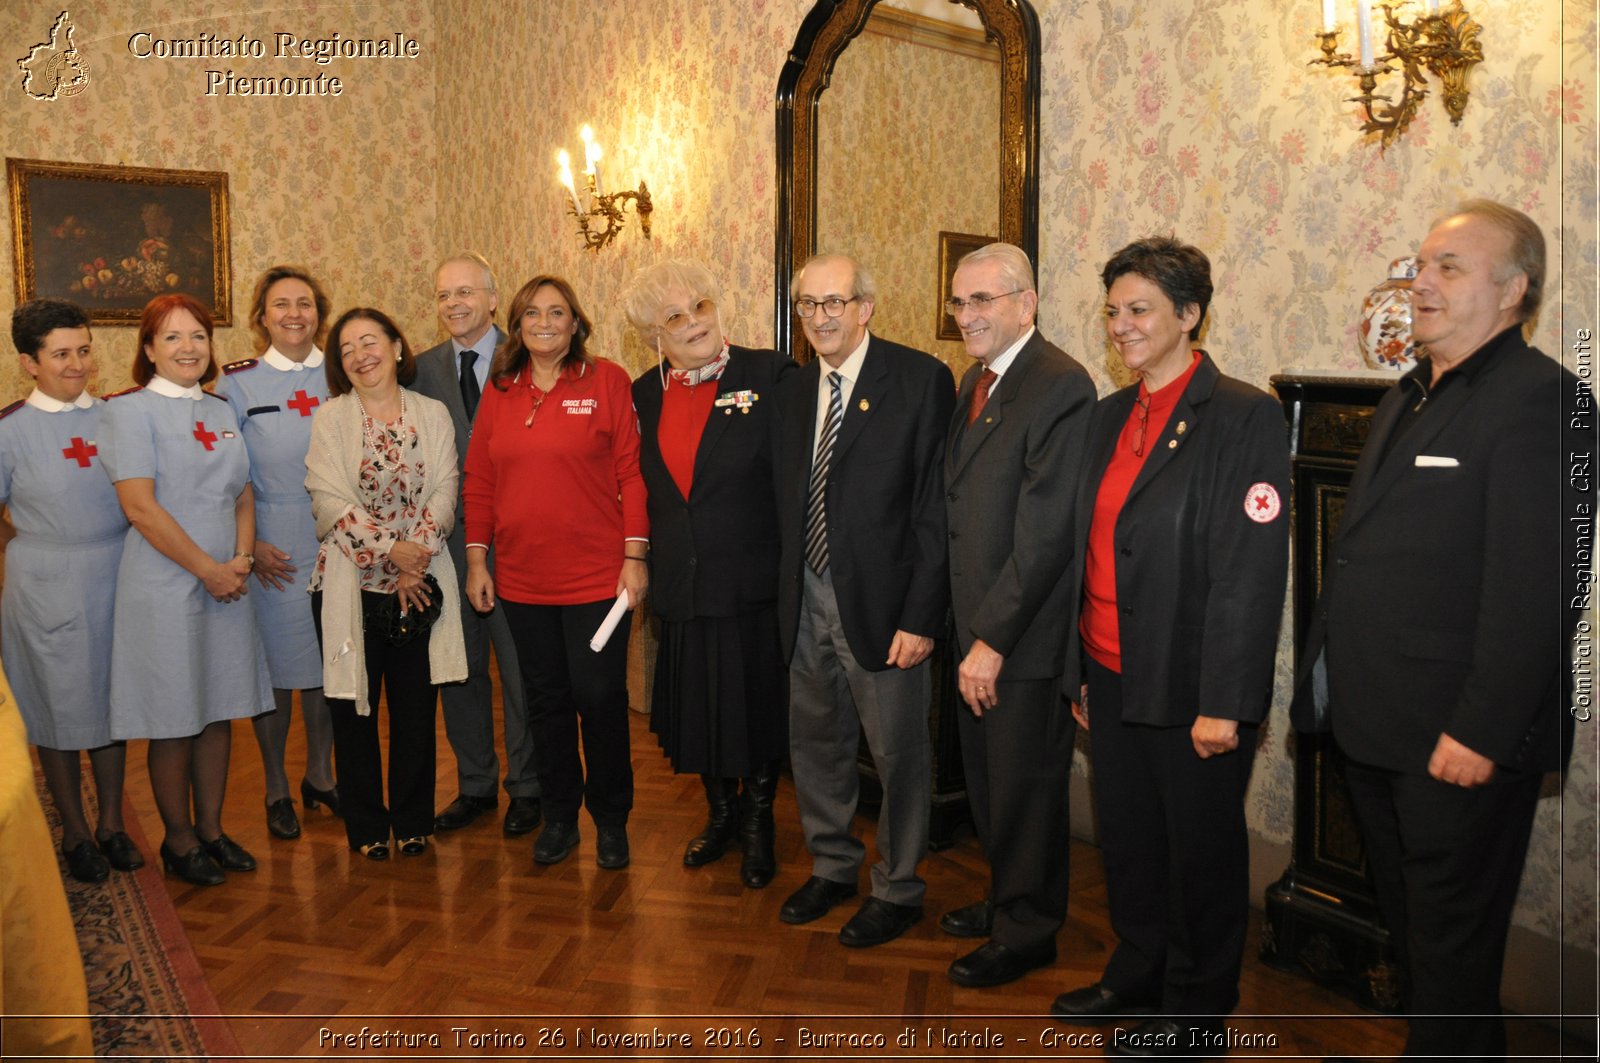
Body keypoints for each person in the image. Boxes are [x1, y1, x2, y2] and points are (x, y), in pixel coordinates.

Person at [1291, 200, 1584, 1058]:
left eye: (1449, 267)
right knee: (1419, 938)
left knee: (1452, 950)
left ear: (1514, 290)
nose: (1420, 282)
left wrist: (1480, 729)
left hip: (1458, 738)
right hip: (1379, 726)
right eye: (1420, 264)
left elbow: (1538, 590)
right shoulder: (1414, 392)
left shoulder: (1544, 403)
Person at [1050, 238, 1290, 1052]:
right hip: (1111, 672)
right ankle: (1138, 967)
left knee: (1201, 854)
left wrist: (1226, 702)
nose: (1121, 325)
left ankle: (1196, 1007)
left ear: (1191, 315)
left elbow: (1249, 574)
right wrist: (1080, 667)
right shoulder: (1107, 416)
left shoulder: (1245, 416)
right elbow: (1084, 548)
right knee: (1131, 839)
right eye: (1113, 310)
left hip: (1194, 686)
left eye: (1140, 308)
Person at [774, 254, 954, 947]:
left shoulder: (918, 381)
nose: (821, 317)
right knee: (816, 742)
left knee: (900, 751)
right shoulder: (794, 393)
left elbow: (934, 511)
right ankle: (832, 863)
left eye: (835, 302)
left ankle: (900, 885)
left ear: (866, 307)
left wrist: (921, 615)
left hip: (887, 606)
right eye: (809, 305)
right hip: (807, 597)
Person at [942, 242, 1094, 987]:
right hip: (974, 631)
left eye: (982, 301)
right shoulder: (978, 378)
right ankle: (1005, 897)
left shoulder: (1060, 384)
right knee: (989, 785)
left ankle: (1028, 929)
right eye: (959, 301)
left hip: (1020, 641)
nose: (965, 314)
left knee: (1026, 790)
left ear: (1026, 304)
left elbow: (1045, 533)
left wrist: (991, 639)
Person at [463, 275, 647, 870]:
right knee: (544, 702)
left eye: (558, 312)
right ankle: (561, 817)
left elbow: (631, 475)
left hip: (598, 580)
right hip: (521, 581)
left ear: (576, 323)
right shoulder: (501, 388)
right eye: (532, 313)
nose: (545, 322)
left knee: (598, 697)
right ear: (516, 325)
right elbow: (480, 481)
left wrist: (635, 557)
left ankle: (613, 821)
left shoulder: (607, 381)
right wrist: (475, 559)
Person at [624, 259, 790, 888]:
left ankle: (757, 824)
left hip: (752, 584)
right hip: (683, 586)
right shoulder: (641, 395)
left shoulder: (769, 374)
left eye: (700, 305)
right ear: (653, 336)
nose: (693, 322)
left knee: (755, 711)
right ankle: (720, 814)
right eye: (674, 317)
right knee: (700, 712)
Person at [100, 293, 273, 887]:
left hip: (228, 578)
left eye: (197, 336)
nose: (188, 348)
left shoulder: (223, 410)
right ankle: (177, 840)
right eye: (172, 338)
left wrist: (243, 558)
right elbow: (140, 508)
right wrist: (209, 569)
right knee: (174, 714)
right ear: (148, 349)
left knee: (220, 706)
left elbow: (243, 494)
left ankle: (213, 831)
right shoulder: (128, 413)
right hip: (164, 583)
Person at [305, 308, 466, 861]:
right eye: (346, 349)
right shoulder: (331, 419)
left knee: (416, 709)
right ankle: (368, 826)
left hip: (418, 584)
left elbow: (446, 487)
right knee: (354, 709)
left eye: (369, 341)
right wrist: (389, 551)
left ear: (397, 347)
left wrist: (412, 560)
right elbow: (327, 498)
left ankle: (414, 819)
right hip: (349, 585)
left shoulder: (434, 412)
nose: (359, 355)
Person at [1, 298, 141, 883]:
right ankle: (75, 831)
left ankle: (112, 823)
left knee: (112, 705)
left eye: (84, 350)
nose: (78, 364)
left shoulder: (117, 419)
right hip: (44, 583)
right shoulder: (10, 431)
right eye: (61, 354)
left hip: (117, 572)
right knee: (57, 708)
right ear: (30, 362)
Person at [413, 252, 540, 837]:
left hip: (518, 541)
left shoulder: (532, 357)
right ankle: (476, 786)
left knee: (521, 670)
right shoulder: (418, 370)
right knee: (458, 670)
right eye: (443, 296)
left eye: (466, 293)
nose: (454, 305)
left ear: (493, 299)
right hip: (445, 545)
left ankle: (530, 787)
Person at [213, 266, 338, 841]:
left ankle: (320, 776)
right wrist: (249, 543)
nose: (295, 314)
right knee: (278, 673)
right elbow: (225, 474)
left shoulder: (344, 369)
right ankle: (275, 787)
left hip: (341, 542)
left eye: (305, 303)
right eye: (281, 304)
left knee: (329, 665)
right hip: (273, 543)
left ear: (320, 311)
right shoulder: (237, 383)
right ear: (261, 315)